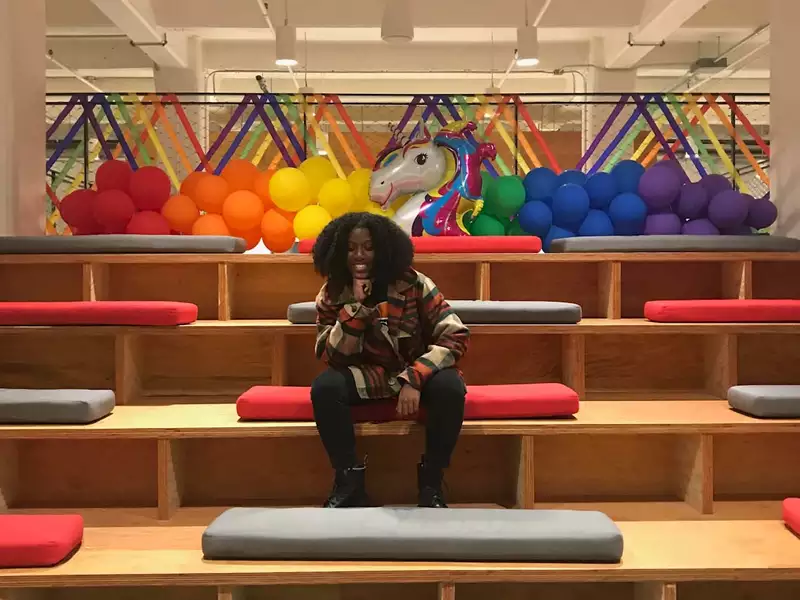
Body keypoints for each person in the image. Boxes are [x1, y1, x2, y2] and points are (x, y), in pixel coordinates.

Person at [310, 212, 470, 509]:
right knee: (325, 388)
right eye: (350, 248)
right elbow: (329, 355)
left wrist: (415, 377)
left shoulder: (415, 283)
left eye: (368, 247)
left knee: (450, 387)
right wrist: (356, 309)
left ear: (383, 249)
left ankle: (432, 483)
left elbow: (455, 335)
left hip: (417, 374)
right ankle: (349, 484)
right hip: (371, 376)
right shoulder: (333, 293)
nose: (360, 255)